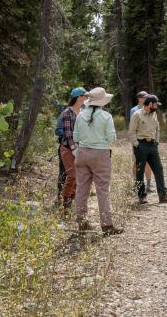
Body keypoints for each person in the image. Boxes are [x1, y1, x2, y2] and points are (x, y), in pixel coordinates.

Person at [73, 87, 122, 236]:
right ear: (103, 101)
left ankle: (82, 223)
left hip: (82, 153)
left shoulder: (80, 116)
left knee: (81, 189)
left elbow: (75, 138)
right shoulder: (106, 116)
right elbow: (111, 138)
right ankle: (106, 225)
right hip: (100, 154)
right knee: (102, 190)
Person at [129, 94, 167, 204]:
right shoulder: (137, 115)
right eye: (155, 104)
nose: (157, 107)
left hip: (152, 145)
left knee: (159, 169)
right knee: (140, 171)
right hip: (141, 145)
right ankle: (142, 196)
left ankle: (163, 195)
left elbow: (158, 129)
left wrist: (156, 142)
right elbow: (131, 132)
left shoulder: (154, 115)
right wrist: (137, 145)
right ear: (150, 104)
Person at [55, 87, 87, 208]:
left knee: (78, 176)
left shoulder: (83, 111)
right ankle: (63, 200)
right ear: (79, 97)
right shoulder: (67, 112)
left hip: (80, 148)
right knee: (68, 174)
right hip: (68, 148)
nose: (86, 98)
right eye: (84, 96)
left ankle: (70, 199)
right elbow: (68, 133)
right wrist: (74, 148)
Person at [129, 90, 154, 193]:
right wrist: (134, 141)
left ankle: (149, 184)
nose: (147, 98)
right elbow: (132, 127)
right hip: (137, 140)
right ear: (139, 98)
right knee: (137, 162)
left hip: (148, 140)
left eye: (147, 97)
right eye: (145, 97)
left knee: (148, 162)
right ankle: (137, 183)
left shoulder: (151, 108)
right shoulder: (133, 110)